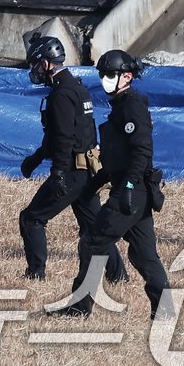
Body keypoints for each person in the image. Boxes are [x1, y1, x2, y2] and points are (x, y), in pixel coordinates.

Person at [49, 50, 171, 319]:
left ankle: (80, 307)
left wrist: (126, 187)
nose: (105, 79)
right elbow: (119, 156)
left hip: (132, 191)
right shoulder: (121, 105)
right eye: (102, 74)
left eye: (111, 75)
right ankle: (164, 311)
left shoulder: (132, 107)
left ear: (127, 76)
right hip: (132, 189)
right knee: (143, 254)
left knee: (92, 242)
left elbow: (142, 152)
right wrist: (99, 181)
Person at [17, 36, 126, 283]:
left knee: (32, 218)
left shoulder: (61, 94)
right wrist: (35, 160)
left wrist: (58, 174)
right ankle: (118, 275)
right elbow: (70, 134)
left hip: (71, 171)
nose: (34, 70)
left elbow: (64, 139)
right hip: (88, 171)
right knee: (95, 229)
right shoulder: (76, 88)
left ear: (46, 63)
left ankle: (36, 274)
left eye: (35, 64)